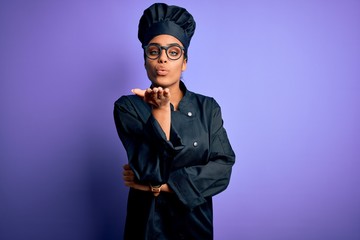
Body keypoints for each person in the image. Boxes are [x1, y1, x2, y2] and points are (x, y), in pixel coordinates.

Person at [113, 3, 235, 240]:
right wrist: (161, 111)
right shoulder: (127, 107)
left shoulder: (208, 108)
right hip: (147, 224)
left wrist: (160, 188)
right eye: (154, 51)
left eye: (173, 52)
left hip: (195, 223)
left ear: (185, 62)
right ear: (145, 59)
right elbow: (149, 171)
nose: (163, 60)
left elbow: (223, 167)